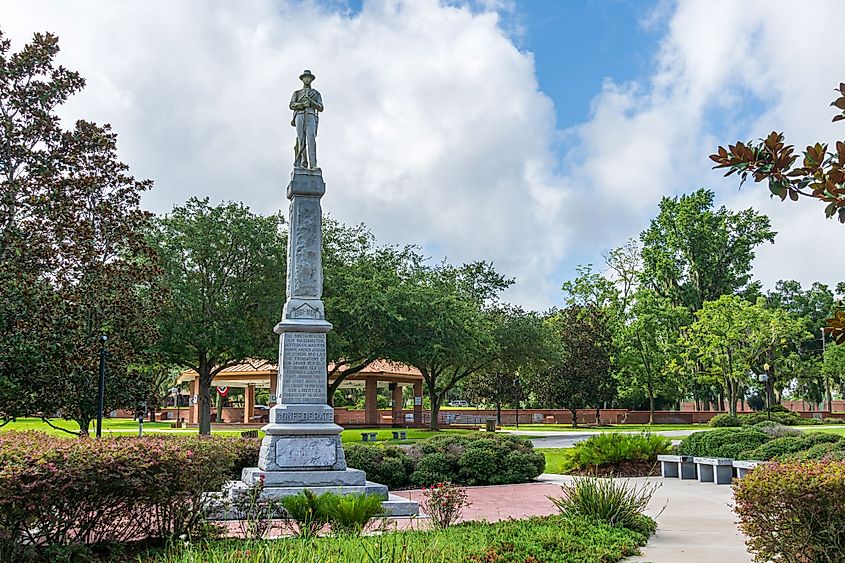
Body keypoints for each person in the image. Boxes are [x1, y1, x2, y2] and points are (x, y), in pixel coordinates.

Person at [289, 69, 324, 169]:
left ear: (311, 79)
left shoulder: (316, 94)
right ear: (302, 79)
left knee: (311, 138)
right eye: (305, 78)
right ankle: (303, 163)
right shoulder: (297, 93)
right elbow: (291, 105)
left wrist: (312, 103)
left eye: (308, 78)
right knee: (301, 140)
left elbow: (321, 107)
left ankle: (313, 164)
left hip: (311, 115)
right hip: (299, 115)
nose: (307, 79)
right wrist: (301, 105)